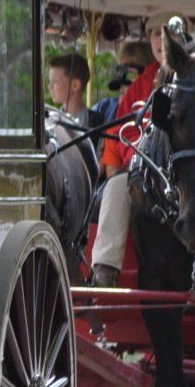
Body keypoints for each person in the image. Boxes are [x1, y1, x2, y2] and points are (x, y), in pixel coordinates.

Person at [88, 17, 173, 287]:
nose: (161, 40)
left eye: (168, 32)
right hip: (143, 170)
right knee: (115, 187)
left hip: (182, 172)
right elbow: (121, 131)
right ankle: (104, 271)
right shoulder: (143, 81)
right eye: (156, 34)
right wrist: (126, 162)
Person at [46, 51, 99, 181]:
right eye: (49, 82)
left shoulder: (96, 122)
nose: (49, 87)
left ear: (75, 85)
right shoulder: (50, 121)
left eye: (55, 83)